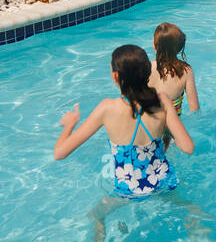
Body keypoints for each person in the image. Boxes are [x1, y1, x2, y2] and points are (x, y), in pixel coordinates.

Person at [52, 44, 195, 198]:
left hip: (129, 190)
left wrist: (70, 125)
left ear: (115, 76)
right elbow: (188, 148)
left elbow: (59, 154)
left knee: (95, 217)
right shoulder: (163, 101)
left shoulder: (107, 108)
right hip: (163, 182)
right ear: (148, 72)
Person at [150, 23, 199, 150]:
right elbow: (195, 109)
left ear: (155, 46)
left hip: (149, 126)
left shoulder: (146, 69)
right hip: (172, 131)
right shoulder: (186, 71)